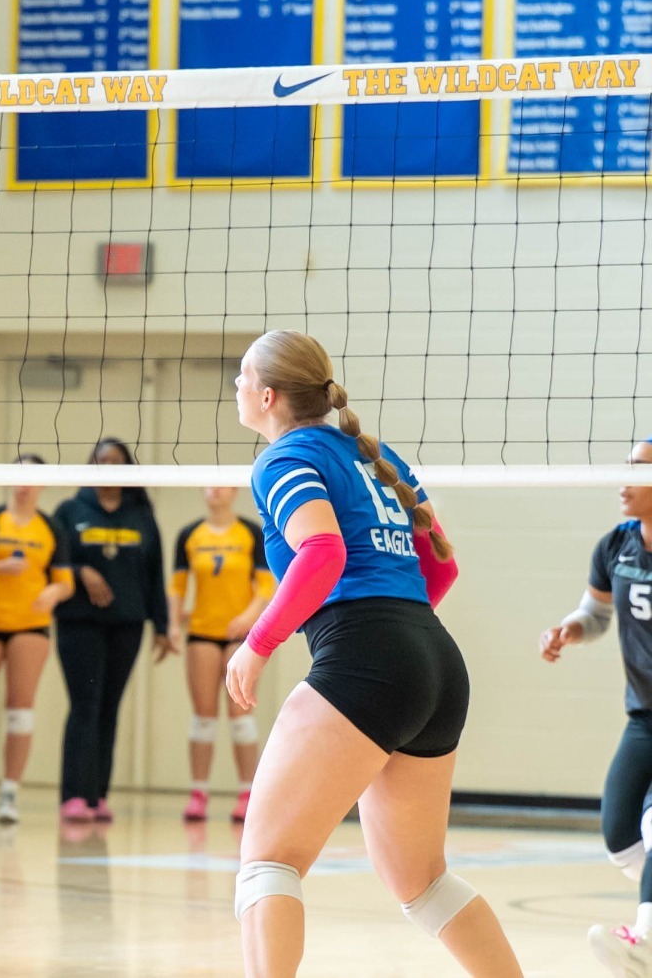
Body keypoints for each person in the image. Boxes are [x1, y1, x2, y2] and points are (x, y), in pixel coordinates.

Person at [227, 329, 518, 977]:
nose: (237, 387)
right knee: (423, 882)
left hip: (370, 656)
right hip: (434, 657)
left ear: (267, 394)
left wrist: (257, 643)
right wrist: (400, 647)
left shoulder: (283, 459)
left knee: (267, 862)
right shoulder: (373, 455)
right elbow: (439, 570)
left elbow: (322, 553)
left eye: (242, 376)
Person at [538, 437, 652, 973]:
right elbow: (597, 613)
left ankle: (644, 945)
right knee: (625, 841)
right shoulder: (616, 546)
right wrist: (570, 629)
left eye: (638, 469)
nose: (623, 479)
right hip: (644, 715)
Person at [51, 437, 173, 822]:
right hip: (78, 623)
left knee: (110, 708)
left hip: (128, 623)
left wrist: (162, 626)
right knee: (84, 706)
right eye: (101, 460)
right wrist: (80, 571)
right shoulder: (70, 511)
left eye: (116, 461)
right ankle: (74, 795)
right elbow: (52, 563)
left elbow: (155, 574)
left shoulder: (141, 514)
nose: (108, 466)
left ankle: (97, 796)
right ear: (91, 465)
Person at [0, 453, 74, 824]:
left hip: (31, 625)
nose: (24, 484)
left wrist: (53, 594)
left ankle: (9, 794)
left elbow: (65, 582)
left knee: (20, 710)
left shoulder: (51, 527)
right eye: (19, 475)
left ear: (43, 484)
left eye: (33, 477)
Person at [168, 487, 275, 823]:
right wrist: (173, 624)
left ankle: (247, 793)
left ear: (233, 490)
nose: (214, 491)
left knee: (240, 715)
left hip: (239, 635)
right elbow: (177, 587)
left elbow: (266, 584)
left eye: (221, 485)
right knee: (203, 716)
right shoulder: (189, 534)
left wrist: (248, 616)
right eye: (209, 485)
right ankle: (198, 792)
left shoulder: (249, 533)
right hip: (201, 632)